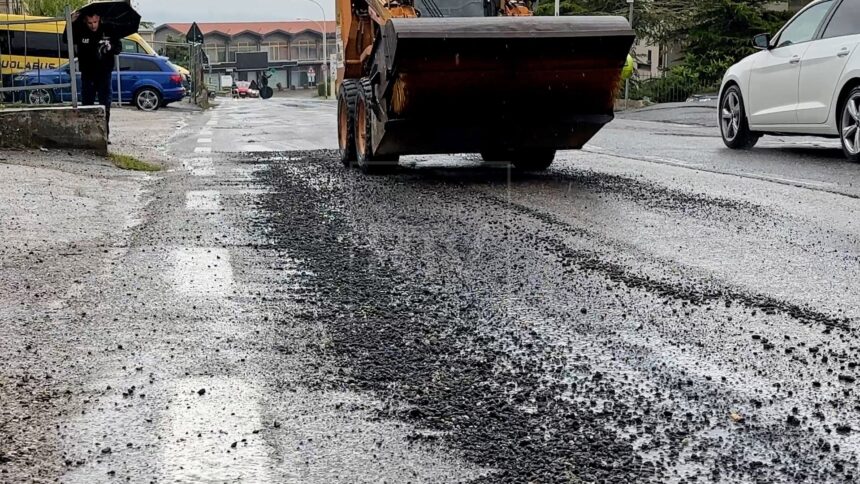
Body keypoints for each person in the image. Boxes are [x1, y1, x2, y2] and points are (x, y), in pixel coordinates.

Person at [70, 12, 121, 140]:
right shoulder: (80, 30)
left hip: (104, 73)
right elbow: (67, 39)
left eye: (95, 22)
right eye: (89, 23)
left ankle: (105, 135)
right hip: (88, 74)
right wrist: (70, 23)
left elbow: (118, 48)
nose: (93, 26)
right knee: (87, 104)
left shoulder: (109, 29)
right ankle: (89, 134)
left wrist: (111, 46)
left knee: (105, 105)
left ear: (99, 19)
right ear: (85, 21)